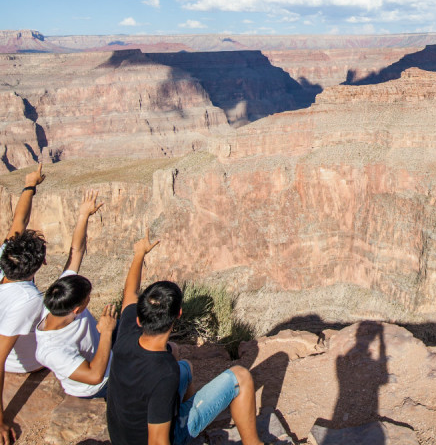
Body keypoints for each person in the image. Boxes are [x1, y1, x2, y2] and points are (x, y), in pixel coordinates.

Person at [106, 231, 265, 445]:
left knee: (185, 366)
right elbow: (158, 442)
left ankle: (189, 424)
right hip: (155, 438)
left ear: (139, 317)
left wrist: (139, 254)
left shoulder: (126, 332)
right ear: (179, 315)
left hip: (122, 434)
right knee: (241, 376)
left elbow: (130, 293)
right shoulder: (164, 373)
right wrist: (140, 254)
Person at [0, 163, 48, 445]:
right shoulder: (27, 299)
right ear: (38, 265)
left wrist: (30, 185)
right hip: (24, 364)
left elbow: (18, 222)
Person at [35, 189, 119, 398]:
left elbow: (77, 251)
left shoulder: (60, 297)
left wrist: (83, 215)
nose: (90, 299)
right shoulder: (51, 349)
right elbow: (94, 376)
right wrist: (106, 332)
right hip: (99, 385)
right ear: (78, 308)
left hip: (106, 348)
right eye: (88, 298)